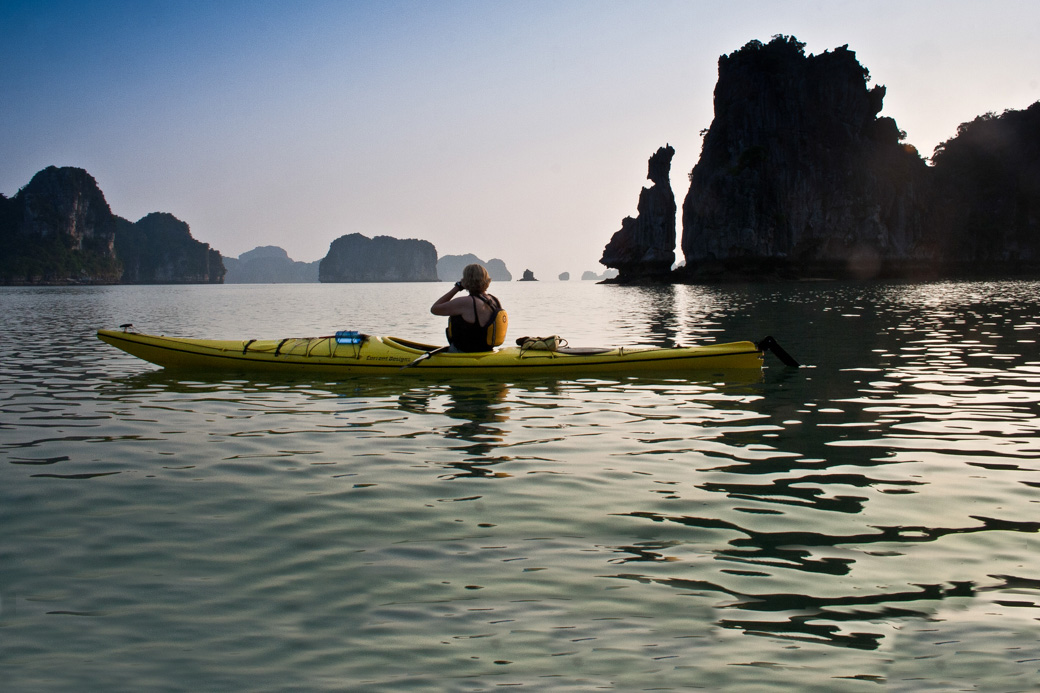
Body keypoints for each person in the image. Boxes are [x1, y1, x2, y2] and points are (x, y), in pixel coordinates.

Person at [431, 263, 508, 352]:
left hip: (463, 352)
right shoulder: (494, 300)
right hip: (486, 350)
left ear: (466, 280)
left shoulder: (466, 302)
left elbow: (434, 309)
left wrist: (457, 288)